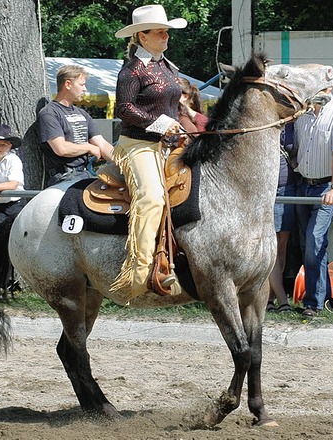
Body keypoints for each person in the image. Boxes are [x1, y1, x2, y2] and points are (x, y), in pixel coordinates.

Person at [110, 4, 187, 299]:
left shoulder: (167, 66)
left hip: (170, 143)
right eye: (159, 32)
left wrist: (180, 122)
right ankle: (138, 274)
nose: (166, 35)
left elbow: (171, 103)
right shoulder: (131, 70)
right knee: (152, 198)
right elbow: (125, 109)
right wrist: (159, 124)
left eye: (166, 31)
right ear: (142, 36)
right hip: (138, 145)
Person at [294, 87, 333, 317]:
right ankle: (320, 297)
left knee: (314, 239)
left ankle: (314, 303)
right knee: (307, 243)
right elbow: (298, 149)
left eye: (319, 86)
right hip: (303, 184)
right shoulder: (303, 114)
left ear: (330, 88)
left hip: (326, 186)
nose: (313, 91)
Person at [37, 64, 114, 188]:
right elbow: (61, 148)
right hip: (63, 177)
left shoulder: (83, 114)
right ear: (68, 84)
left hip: (84, 174)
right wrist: (88, 147)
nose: (85, 89)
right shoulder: (49, 113)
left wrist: (125, 164)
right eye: (81, 84)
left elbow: (102, 144)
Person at [267, 123, 297, 313]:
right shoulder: (267, 121)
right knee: (271, 244)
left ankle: (269, 297)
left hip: (289, 187)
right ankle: (282, 299)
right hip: (269, 189)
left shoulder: (296, 124)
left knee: (282, 244)